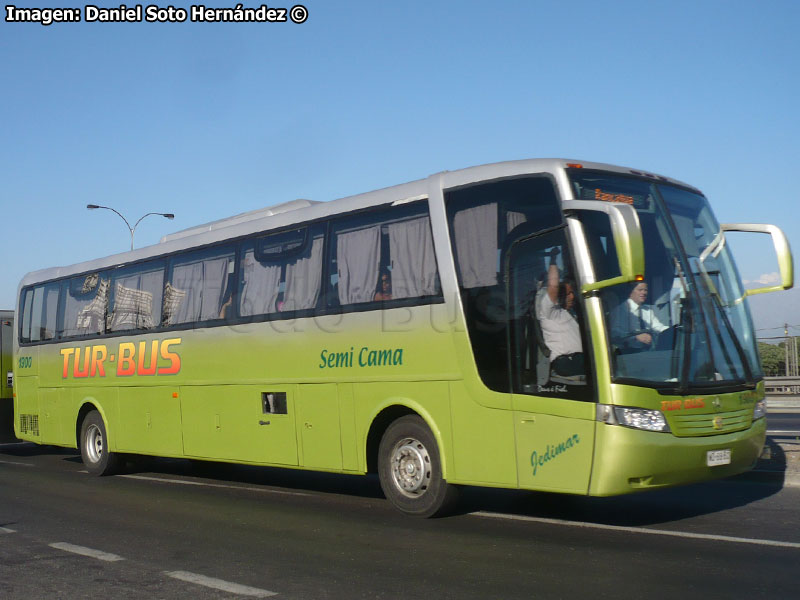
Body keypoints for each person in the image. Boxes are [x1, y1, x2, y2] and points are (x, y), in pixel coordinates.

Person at [536, 258, 584, 377]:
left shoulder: (570, 313)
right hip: (567, 362)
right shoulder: (550, 312)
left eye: (573, 293)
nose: (572, 297)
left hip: (579, 359)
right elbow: (553, 286)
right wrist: (553, 260)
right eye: (568, 294)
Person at [610, 281, 668, 351]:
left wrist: (672, 330)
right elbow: (615, 333)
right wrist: (636, 337)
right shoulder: (621, 310)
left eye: (645, 290)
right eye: (640, 290)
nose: (644, 293)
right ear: (630, 292)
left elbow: (657, 327)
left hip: (646, 352)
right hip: (626, 353)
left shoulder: (647, 310)